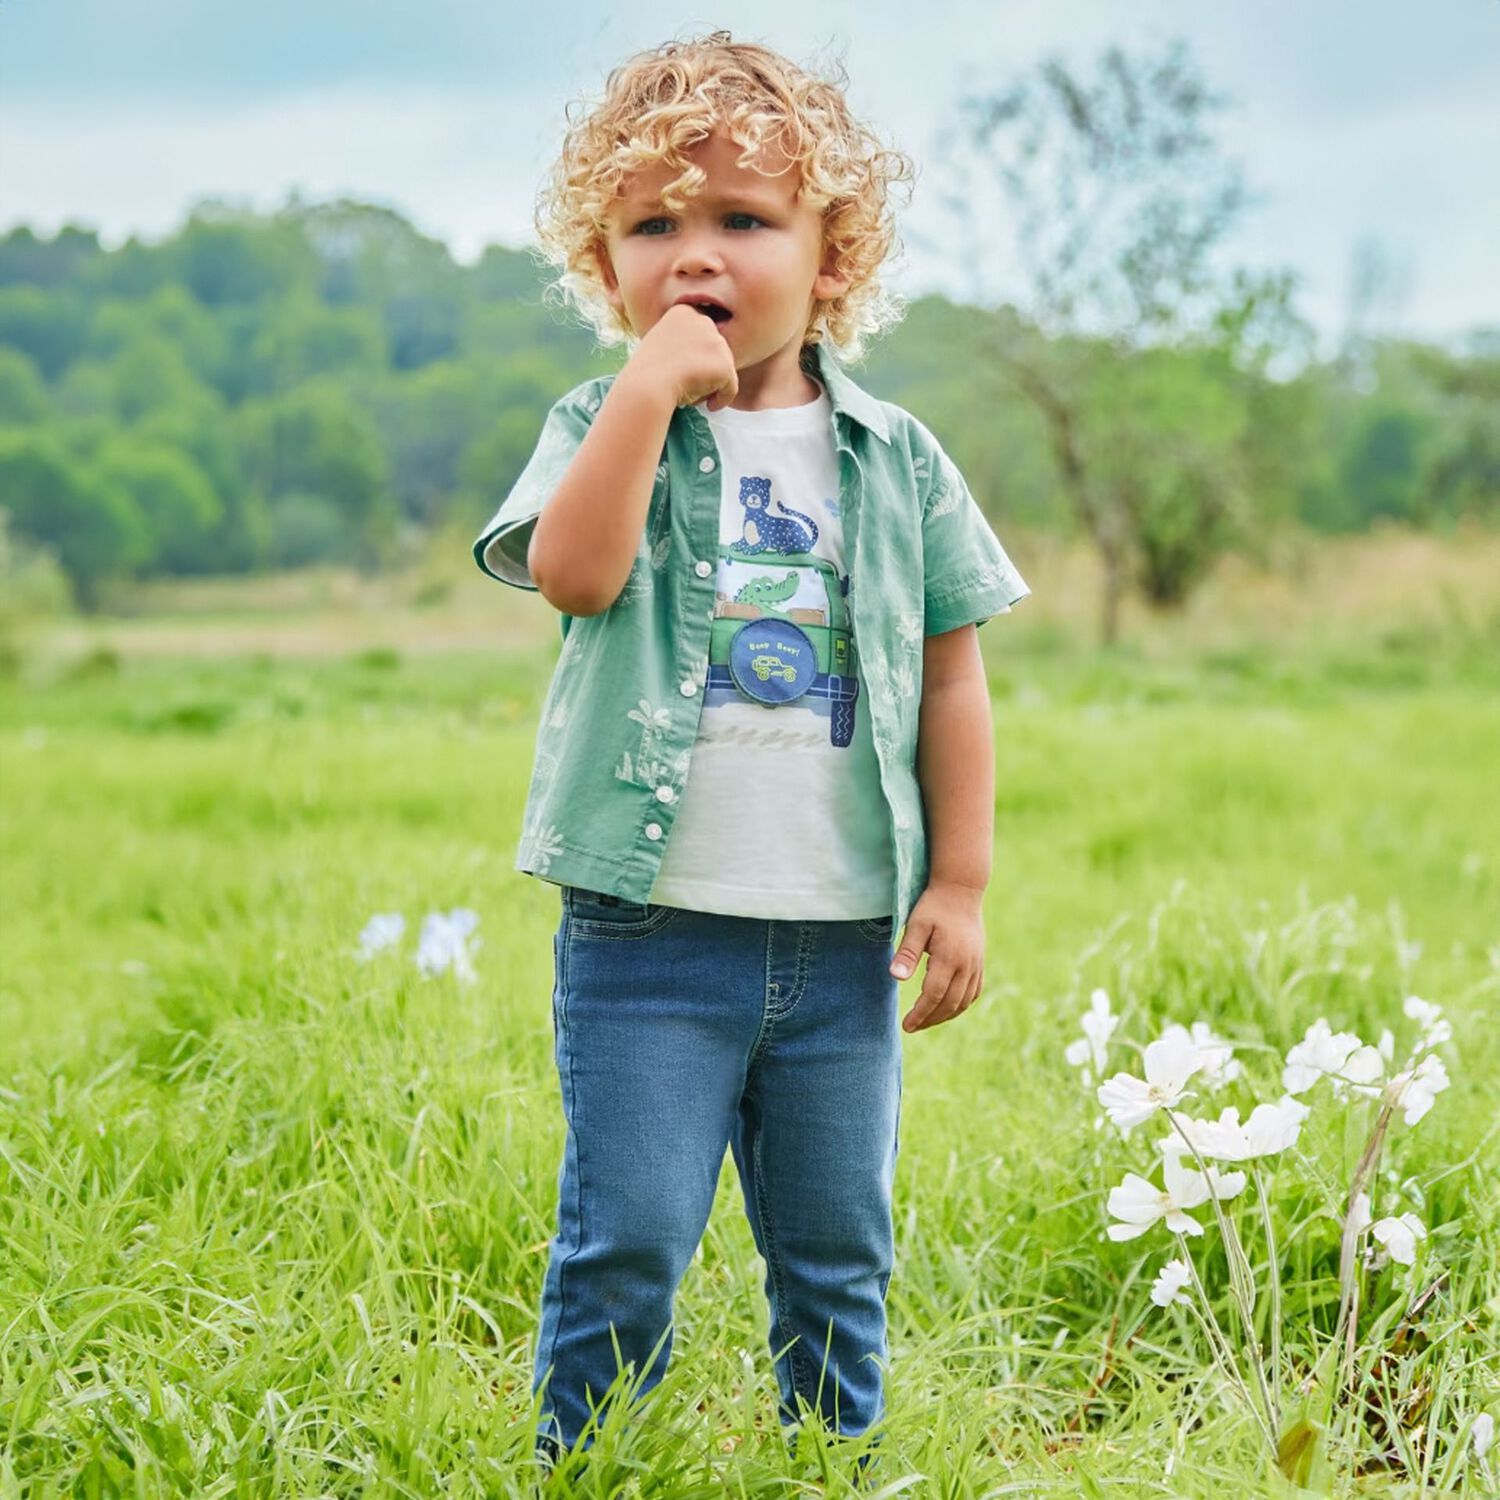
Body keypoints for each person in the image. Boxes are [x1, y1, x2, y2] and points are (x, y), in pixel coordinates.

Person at [472, 30, 1031, 1476]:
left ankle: (827, 1463)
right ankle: (590, 1464)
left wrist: (959, 884)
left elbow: (954, 680)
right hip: (650, 937)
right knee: (631, 1238)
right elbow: (577, 576)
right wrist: (651, 398)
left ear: (829, 257)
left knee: (839, 1247)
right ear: (606, 270)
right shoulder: (602, 425)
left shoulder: (898, 459)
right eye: (652, 226)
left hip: (845, 944)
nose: (693, 255)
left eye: (740, 219)